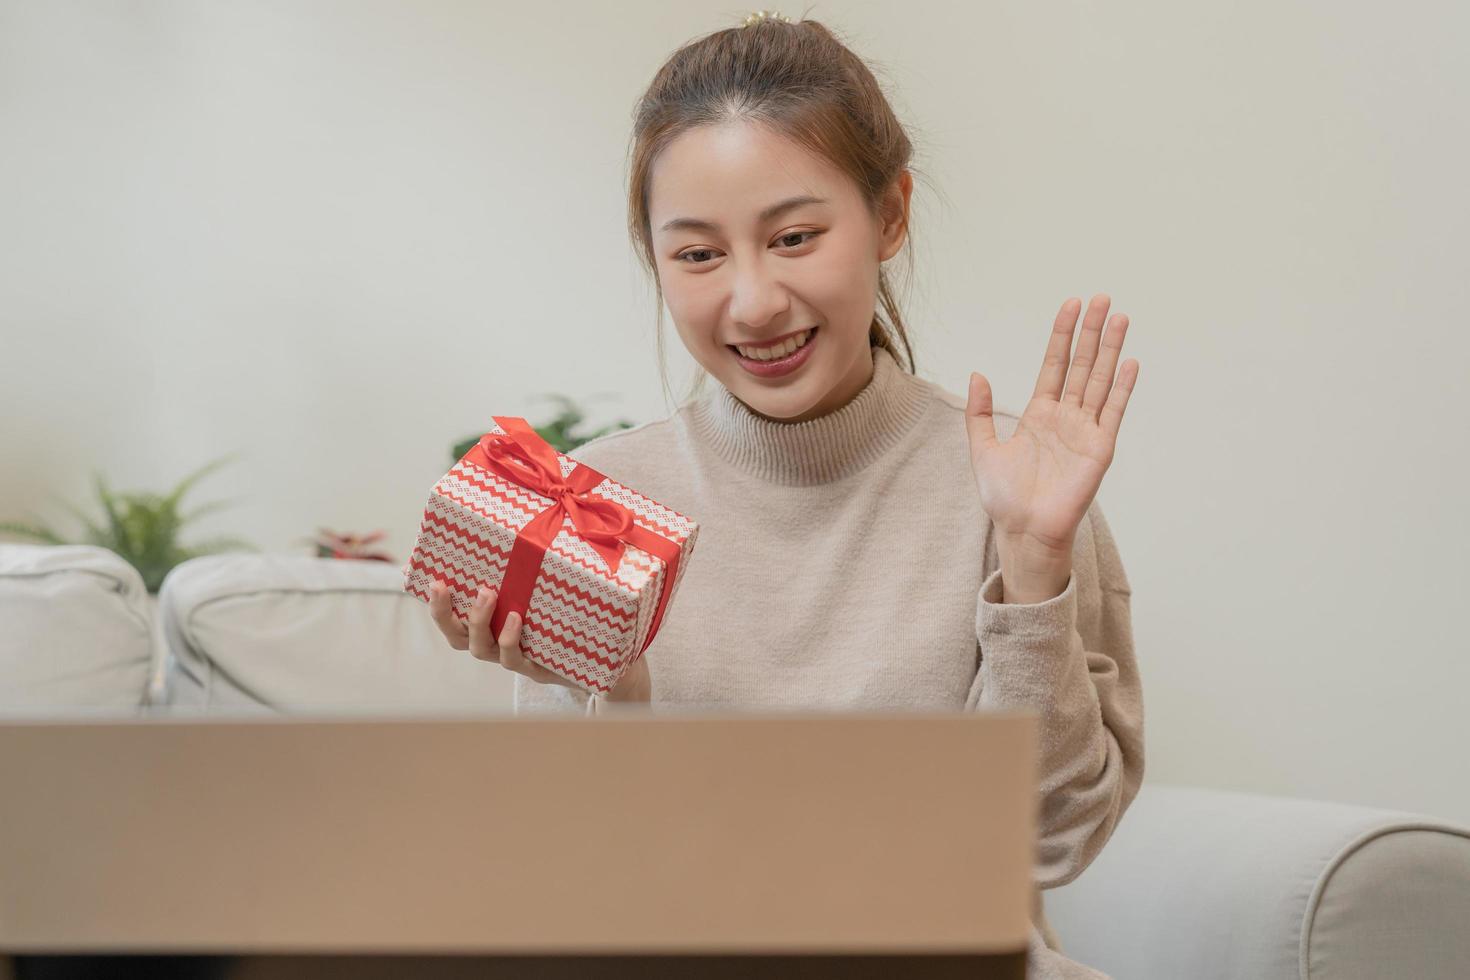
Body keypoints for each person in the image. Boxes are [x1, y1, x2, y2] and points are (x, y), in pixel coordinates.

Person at [428, 11, 1142, 979]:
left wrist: (1033, 572)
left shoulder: (1016, 488)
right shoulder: (603, 499)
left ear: (890, 215)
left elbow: (1053, 845)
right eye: (697, 254)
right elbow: (584, 884)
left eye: (795, 236)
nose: (754, 300)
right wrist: (613, 687)